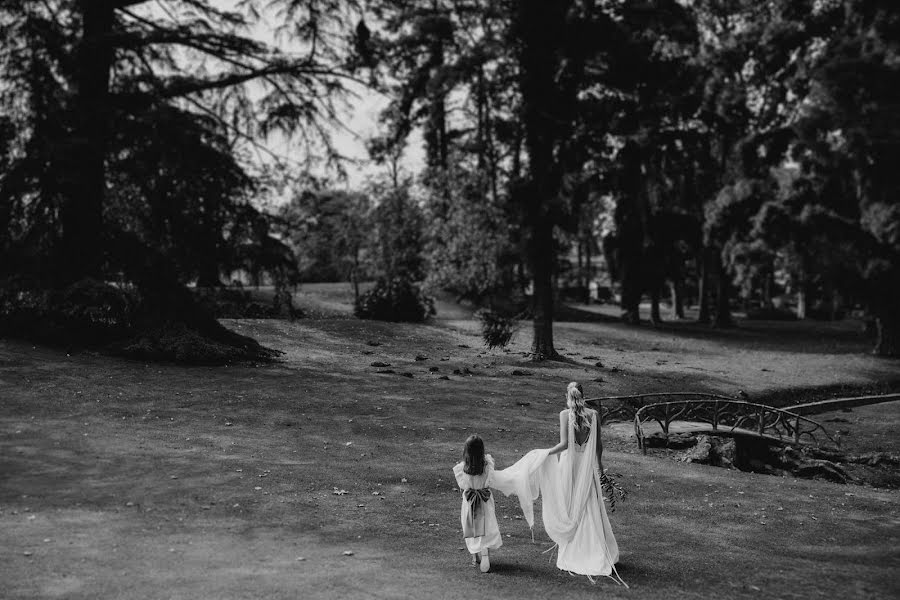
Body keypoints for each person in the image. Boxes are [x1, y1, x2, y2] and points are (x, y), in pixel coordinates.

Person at [540, 381, 624, 584]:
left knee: (571, 505)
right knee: (589, 504)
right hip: (587, 467)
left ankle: (577, 550)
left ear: (568, 396)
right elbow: (598, 446)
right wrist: (600, 469)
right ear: (584, 395)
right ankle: (595, 549)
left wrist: (543, 454)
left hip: (570, 466)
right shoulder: (594, 415)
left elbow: (565, 445)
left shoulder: (564, 415)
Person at [452, 434, 501, 573]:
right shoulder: (487, 464)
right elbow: (490, 480)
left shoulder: (462, 469)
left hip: (470, 502)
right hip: (485, 501)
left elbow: (462, 485)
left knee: (472, 528)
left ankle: (475, 556)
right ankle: (485, 552)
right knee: (486, 526)